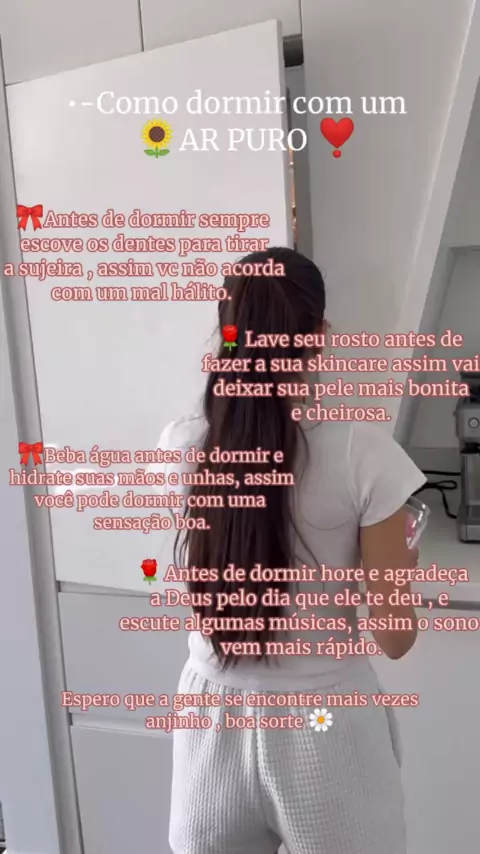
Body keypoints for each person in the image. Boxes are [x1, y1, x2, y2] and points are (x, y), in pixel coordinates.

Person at [156, 247, 426, 854]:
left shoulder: (183, 446)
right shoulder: (364, 456)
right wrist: (398, 570)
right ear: (319, 336)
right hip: (325, 721)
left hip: (211, 715)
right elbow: (395, 638)